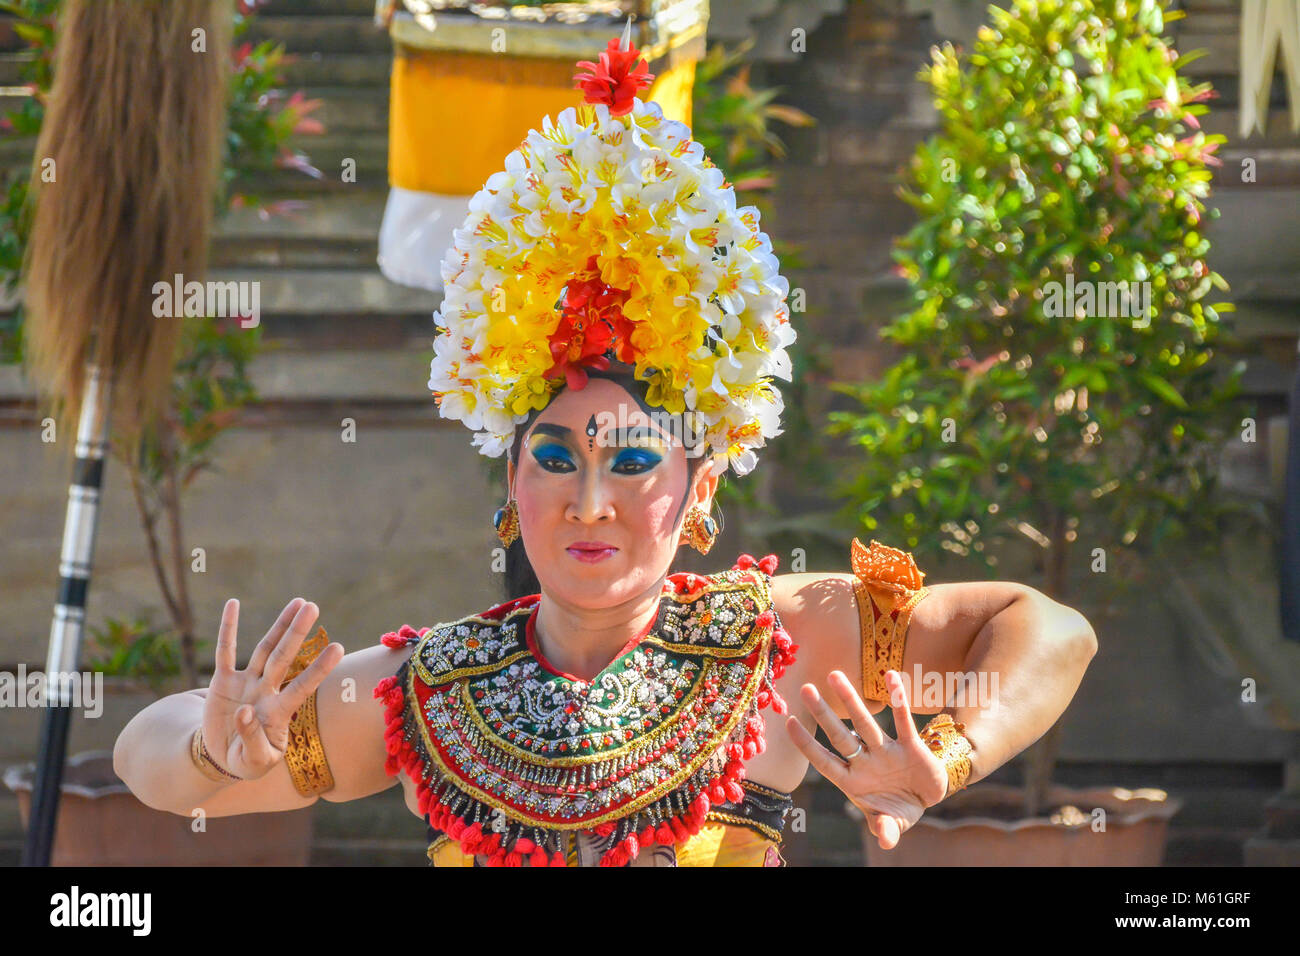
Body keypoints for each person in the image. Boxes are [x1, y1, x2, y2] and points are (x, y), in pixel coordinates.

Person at [114, 27, 1097, 867]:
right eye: (553, 458)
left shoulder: (780, 643)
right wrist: (212, 754)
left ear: (699, 485)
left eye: (630, 462)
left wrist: (953, 753)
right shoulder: (430, 688)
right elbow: (139, 755)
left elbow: (1045, 626)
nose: (589, 501)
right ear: (509, 478)